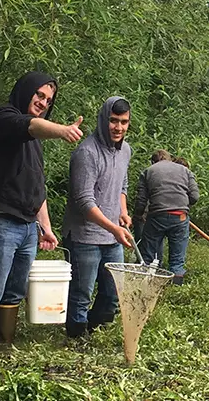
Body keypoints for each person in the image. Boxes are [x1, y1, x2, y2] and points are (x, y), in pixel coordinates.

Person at [0, 71, 84, 349]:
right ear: (24, 90)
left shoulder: (34, 143)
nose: (43, 102)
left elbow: (36, 186)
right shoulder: (1, 118)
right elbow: (29, 125)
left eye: (49, 100)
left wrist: (46, 227)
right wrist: (62, 130)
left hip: (28, 227)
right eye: (39, 95)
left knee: (14, 292)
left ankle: (2, 346)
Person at [62, 96, 133, 338]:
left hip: (113, 236)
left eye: (124, 122)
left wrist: (122, 212)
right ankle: (75, 336)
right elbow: (84, 201)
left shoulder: (125, 150)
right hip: (84, 236)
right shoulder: (87, 152)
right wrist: (114, 228)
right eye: (114, 121)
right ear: (104, 120)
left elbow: (122, 184)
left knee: (112, 294)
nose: (119, 128)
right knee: (81, 293)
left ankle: (91, 329)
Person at [134, 150, 199, 285]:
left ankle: (143, 286)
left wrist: (138, 216)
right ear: (170, 159)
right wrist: (181, 205)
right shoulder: (185, 171)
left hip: (157, 216)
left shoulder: (148, 171)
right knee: (177, 260)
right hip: (180, 217)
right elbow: (194, 197)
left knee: (147, 256)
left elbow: (141, 200)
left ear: (153, 161)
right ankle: (175, 291)